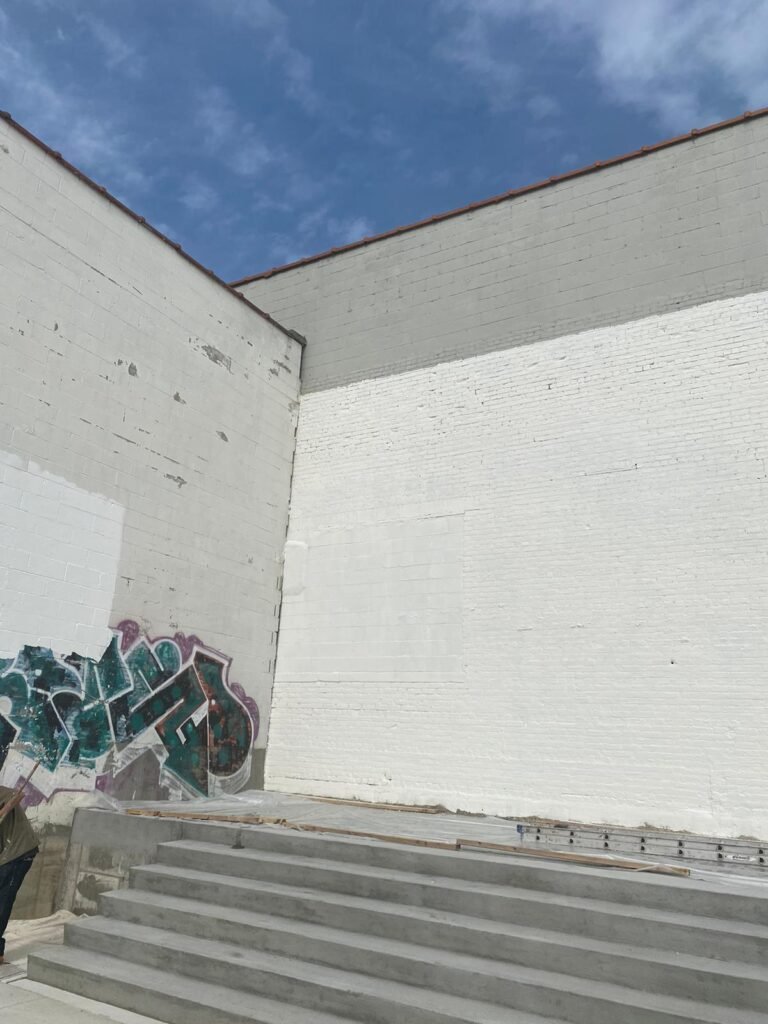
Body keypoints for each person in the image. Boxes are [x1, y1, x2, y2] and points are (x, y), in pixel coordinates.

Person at [0, 785, 38, 965]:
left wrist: (3, 810)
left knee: (3, 900)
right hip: (5, 853)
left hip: (19, 853)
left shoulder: (1, 791)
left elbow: (17, 795)